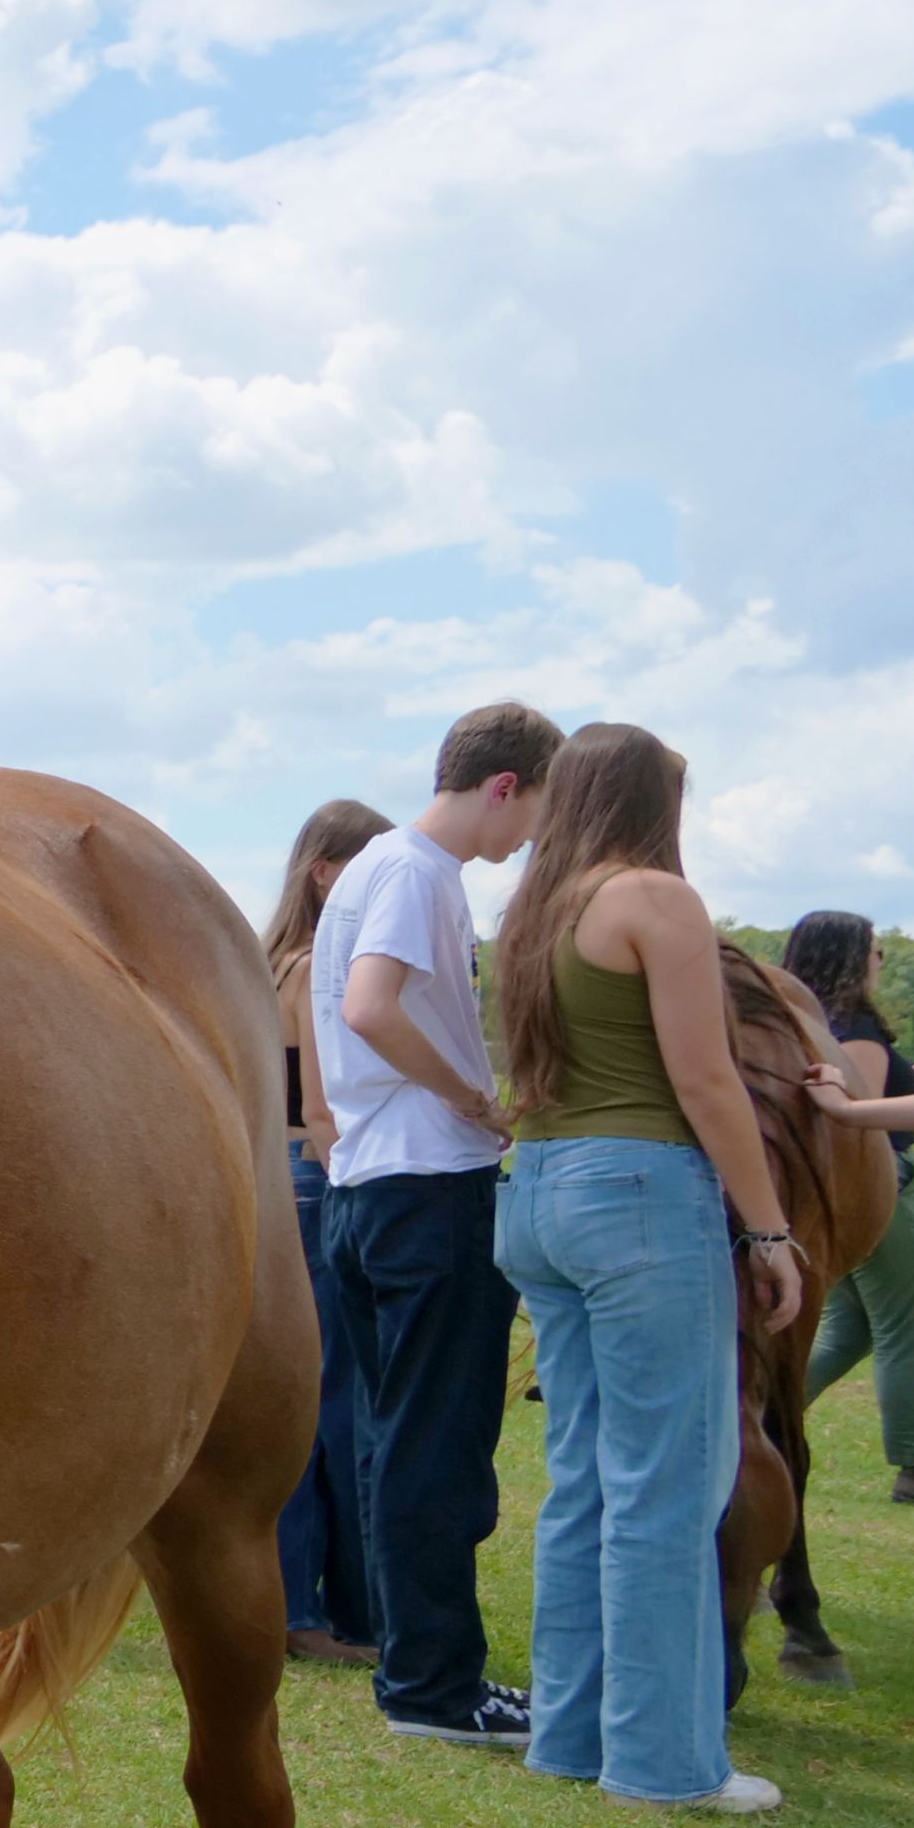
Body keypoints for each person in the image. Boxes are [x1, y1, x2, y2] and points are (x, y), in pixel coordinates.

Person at [489, 723, 802, 1814]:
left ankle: (570, 1738)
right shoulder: (655, 901)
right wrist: (766, 1230)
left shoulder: (528, 912)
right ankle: (665, 1765)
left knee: (582, 1482)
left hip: (534, 1190)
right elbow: (708, 1083)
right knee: (668, 1484)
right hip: (637, 1197)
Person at [310, 699, 561, 1747]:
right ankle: (434, 1688)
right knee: (435, 1449)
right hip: (426, 1184)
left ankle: (419, 1673)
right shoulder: (415, 872)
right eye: (531, 817)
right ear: (502, 785)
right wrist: (470, 1092)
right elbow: (371, 1008)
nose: (526, 843)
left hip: (370, 1187)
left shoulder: (372, 867)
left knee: (392, 1440)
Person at [266, 798, 392, 1667]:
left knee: (311, 1393)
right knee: (322, 1400)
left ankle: (314, 1595)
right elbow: (320, 1109)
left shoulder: (268, 960)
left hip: (277, 1177)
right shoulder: (315, 966)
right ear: (325, 872)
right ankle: (302, 1602)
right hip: (314, 1176)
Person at [785, 911, 914, 1506]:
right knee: (908, 1330)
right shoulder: (858, 1031)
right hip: (888, 1190)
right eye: (875, 952)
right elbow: (864, 1112)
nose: (881, 962)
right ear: (853, 959)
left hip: (844, 1196)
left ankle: (758, 1413)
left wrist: (913, 1088)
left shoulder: (815, 1022)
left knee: (848, 1329)